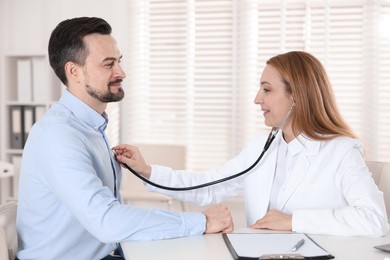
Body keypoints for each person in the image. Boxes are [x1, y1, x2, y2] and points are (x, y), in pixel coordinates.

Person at [16, 17, 233, 260]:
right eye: (108, 64)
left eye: (119, 61)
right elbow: (107, 220)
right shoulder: (58, 135)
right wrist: (201, 221)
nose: (121, 72)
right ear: (74, 71)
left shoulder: (91, 127)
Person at [114, 51, 389, 237]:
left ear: (297, 96)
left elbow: (374, 220)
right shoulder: (262, 146)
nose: (257, 99)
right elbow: (208, 186)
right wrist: (147, 170)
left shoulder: (340, 150)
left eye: (267, 90)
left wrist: (294, 221)